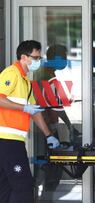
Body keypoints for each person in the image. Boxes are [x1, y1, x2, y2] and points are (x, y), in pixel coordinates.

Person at [0, 40, 60, 202]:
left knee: (5, 187)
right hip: (6, 141)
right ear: (24, 57)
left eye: (39, 58)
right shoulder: (12, 73)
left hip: (13, 141)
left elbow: (35, 111)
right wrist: (23, 108)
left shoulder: (26, 81)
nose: (38, 61)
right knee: (24, 186)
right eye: (35, 57)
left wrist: (49, 135)